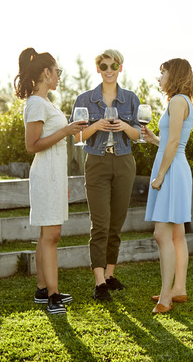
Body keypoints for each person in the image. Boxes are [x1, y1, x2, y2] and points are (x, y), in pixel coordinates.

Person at [15, 47, 87, 314]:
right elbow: (32, 145)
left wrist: (63, 178)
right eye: (57, 72)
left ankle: (42, 289)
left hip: (54, 175)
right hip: (45, 174)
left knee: (47, 234)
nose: (59, 76)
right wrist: (67, 130)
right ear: (46, 73)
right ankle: (53, 295)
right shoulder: (35, 103)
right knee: (52, 235)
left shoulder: (46, 103)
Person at [71, 49, 141, 301]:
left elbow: (140, 135)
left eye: (113, 66)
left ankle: (110, 275)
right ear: (98, 69)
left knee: (116, 222)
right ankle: (99, 282)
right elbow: (76, 136)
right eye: (104, 66)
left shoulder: (131, 99)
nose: (109, 70)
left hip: (124, 162)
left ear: (121, 68)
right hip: (97, 162)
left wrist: (125, 127)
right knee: (100, 223)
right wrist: (95, 126)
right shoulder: (85, 99)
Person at [141, 58, 193, 314]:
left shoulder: (177, 101)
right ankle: (179, 289)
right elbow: (169, 142)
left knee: (162, 234)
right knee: (176, 234)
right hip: (176, 167)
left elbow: (174, 144)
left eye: (162, 72)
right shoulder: (182, 101)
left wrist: (160, 175)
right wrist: (154, 139)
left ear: (173, 75)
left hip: (172, 170)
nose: (159, 77)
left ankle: (166, 298)